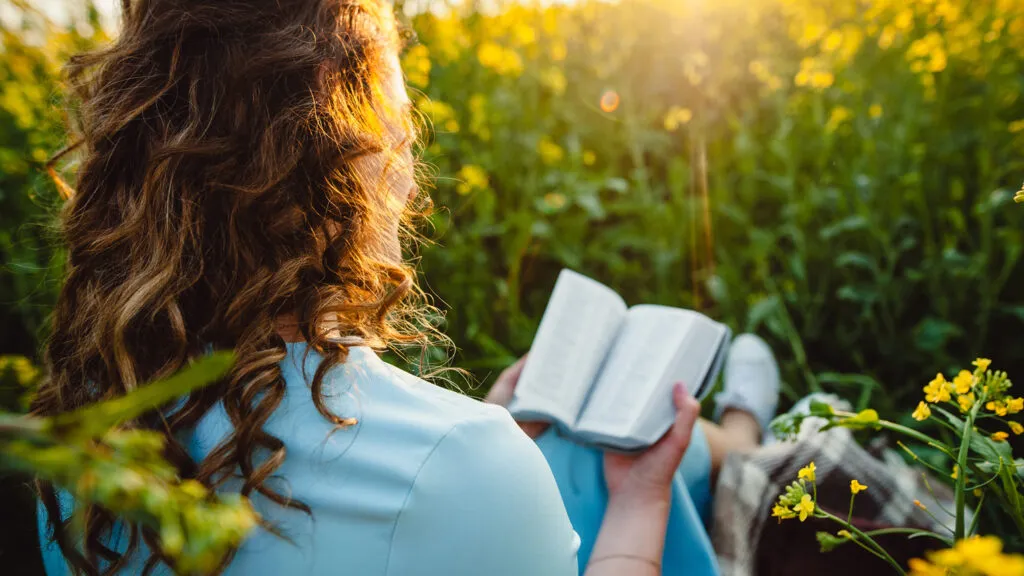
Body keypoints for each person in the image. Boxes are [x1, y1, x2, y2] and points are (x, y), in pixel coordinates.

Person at [31, 1, 743, 575]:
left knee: (562, 454)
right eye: (398, 136)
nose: (410, 178)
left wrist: (480, 431)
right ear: (328, 171)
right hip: (489, 484)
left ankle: (741, 429)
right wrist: (638, 510)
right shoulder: (468, 465)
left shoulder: (84, 436)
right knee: (605, 468)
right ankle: (744, 429)